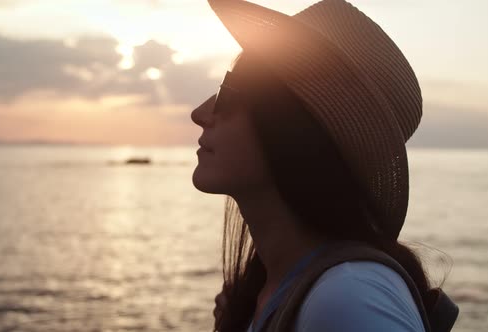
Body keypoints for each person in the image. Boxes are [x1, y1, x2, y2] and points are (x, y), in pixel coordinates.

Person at [190, 0, 457, 331]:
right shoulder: (273, 291)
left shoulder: (349, 295)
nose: (200, 113)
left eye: (227, 93)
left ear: (292, 127)